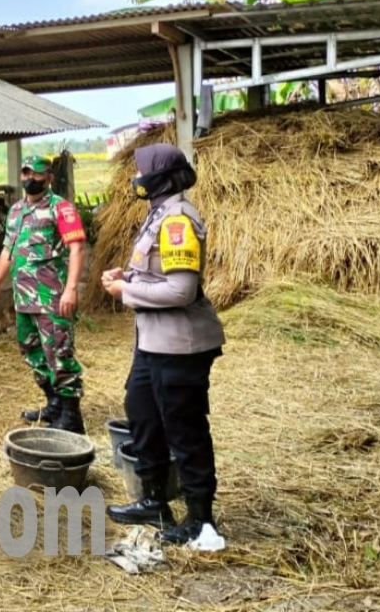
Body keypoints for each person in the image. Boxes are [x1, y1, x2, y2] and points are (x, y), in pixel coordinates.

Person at [100, 143, 226, 547]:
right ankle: (154, 499)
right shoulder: (158, 215)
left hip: (181, 346)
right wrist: (129, 276)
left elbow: (181, 291)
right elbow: (156, 273)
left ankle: (201, 519)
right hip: (153, 343)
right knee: (142, 414)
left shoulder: (178, 221)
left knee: (184, 430)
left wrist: (124, 291)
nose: (136, 179)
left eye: (142, 172)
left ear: (161, 178)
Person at [0, 155, 88, 434]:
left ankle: (71, 416)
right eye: (27, 173)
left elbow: (76, 248)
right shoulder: (16, 210)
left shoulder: (60, 208)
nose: (31, 179)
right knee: (31, 350)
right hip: (24, 298)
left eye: (37, 175)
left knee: (59, 351)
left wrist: (71, 289)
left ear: (49, 177)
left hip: (53, 296)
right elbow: (8, 251)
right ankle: (53, 404)